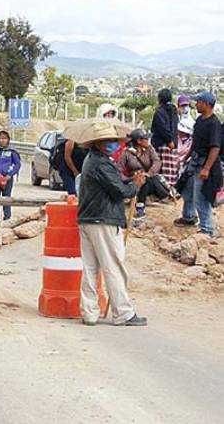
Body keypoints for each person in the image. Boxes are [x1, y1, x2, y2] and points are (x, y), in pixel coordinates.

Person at [78, 124, 147, 326]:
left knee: (90, 269)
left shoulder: (93, 161)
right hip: (103, 220)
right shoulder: (100, 163)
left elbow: (114, 182)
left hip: (89, 219)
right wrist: (136, 185)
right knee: (113, 266)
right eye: (109, 141)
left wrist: (130, 180)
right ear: (98, 143)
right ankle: (123, 312)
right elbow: (120, 191)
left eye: (114, 141)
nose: (113, 145)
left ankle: (89, 312)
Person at [174, 92, 221, 236]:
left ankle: (208, 230)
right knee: (187, 191)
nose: (196, 104)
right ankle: (188, 216)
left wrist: (206, 168)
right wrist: (186, 157)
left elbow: (215, 148)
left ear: (206, 104)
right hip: (194, 161)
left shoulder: (213, 124)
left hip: (204, 164)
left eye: (198, 102)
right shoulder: (200, 120)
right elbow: (195, 142)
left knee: (201, 198)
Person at [118, 129, 162, 218]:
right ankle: (140, 206)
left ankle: (140, 205)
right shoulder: (126, 153)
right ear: (139, 141)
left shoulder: (149, 149)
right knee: (141, 180)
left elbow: (157, 162)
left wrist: (149, 173)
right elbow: (119, 170)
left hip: (149, 178)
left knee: (144, 180)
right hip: (133, 179)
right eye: (145, 138)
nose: (147, 141)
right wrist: (128, 179)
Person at [150, 89, 179, 186]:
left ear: (160, 99)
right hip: (173, 145)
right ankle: (170, 191)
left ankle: (163, 192)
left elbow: (162, 128)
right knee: (170, 171)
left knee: (162, 171)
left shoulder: (160, 112)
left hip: (163, 144)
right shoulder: (174, 110)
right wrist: (172, 141)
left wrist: (169, 140)